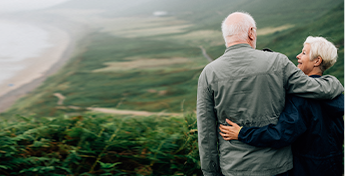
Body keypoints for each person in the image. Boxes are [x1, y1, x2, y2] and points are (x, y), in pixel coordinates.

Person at [197, 12, 344, 176]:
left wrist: (210, 172)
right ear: (251, 32)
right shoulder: (278, 62)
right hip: (279, 167)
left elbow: (206, 134)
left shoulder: (208, 73)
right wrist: (334, 82)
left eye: (304, 53)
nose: (298, 56)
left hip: (233, 168)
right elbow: (315, 88)